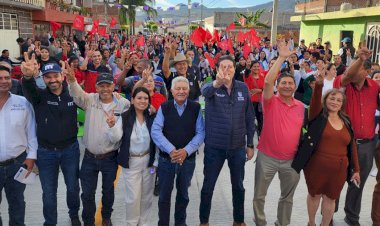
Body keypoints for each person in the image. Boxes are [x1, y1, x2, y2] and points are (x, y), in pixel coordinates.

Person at [292, 70, 360, 226]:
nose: (335, 102)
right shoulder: (318, 116)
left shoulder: (346, 121)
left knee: (331, 199)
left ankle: (324, 224)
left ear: (342, 104)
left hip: (339, 170)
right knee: (314, 195)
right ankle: (311, 223)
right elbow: (315, 100)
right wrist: (319, 84)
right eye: (332, 98)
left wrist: (356, 169)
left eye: (338, 100)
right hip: (316, 166)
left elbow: (352, 146)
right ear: (325, 99)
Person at [21, 55, 82, 225]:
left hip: (70, 150)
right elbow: (28, 87)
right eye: (48, 77)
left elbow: (91, 99)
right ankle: (50, 222)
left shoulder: (73, 94)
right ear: (43, 78)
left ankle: (74, 215)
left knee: (73, 188)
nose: (52, 80)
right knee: (48, 192)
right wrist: (27, 76)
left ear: (62, 76)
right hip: (46, 152)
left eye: (56, 75)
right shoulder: (39, 97)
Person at [66, 67, 130, 226]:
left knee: (108, 192)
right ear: (96, 87)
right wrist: (72, 80)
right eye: (101, 85)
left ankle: (106, 217)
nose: (105, 89)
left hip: (110, 157)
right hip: (89, 157)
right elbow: (77, 94)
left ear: (113, 86)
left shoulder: (123, 104)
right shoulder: (90, 100)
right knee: (87, 193)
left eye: (108, 85)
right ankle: (88, 221)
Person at [252, 40, 304, 226]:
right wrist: (282, 58)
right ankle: (260, 221)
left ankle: (282, 223)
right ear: (278, 85)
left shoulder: (300, 107)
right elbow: (267, 81)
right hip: (267, 157)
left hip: (292, 160)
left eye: (291, 83)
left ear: (295, 87)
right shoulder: (270, 101)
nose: (288, 86)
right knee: (259, 195)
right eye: (283, 83)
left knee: (287, 198)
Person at [199, 55, 255, 226]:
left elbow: (249, 117)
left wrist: (250, 144)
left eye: (230, 66)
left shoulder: (243, 88)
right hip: (214, 147)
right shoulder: (211, 87)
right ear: (217, 69)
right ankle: (204, 221)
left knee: (238, 186)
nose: (227, 69)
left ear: (234, 69)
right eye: (223, 66)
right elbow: (205, 92)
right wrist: (217, 83)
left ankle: (238, 220)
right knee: (208, 186)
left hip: (237, 147)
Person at [333, 44, 379, 226]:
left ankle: (351, 217)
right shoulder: (343, 83)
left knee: (357, 184)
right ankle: (328, 214)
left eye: (360, 66)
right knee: (335, 181)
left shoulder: (375, 87)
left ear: (367, 71)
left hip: (367, 144)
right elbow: (347, 76)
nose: (350, 72)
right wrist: (358, 59)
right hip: (342, 143)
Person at [151, 76, 205, 226]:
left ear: (189, 90)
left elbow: (201, 133)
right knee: (163, 197)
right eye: (178, 88)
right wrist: (171, 150)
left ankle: (180, 223)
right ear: (172, 91)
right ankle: (163, 223)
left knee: (183, 195)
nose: (181, 91)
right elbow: (156, 130)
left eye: (184, 88)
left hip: (187, 161)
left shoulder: (195, 108)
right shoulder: (164, 107)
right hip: (166, 160)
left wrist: (186, 151)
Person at [0, 65, 37, 225]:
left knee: (17, 205)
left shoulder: (23, 103)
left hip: (17, 163)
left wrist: (31, 157)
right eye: (0, 78)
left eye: (7, 78)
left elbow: (32, 132)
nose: (4, 81)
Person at [117, 87, 157, 226]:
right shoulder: (125, 117)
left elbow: (157, 140)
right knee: (133, 197)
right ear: (132, 100)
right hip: (132, 161)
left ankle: (144, 223)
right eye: (139, 98)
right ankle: (132, 223)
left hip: (149, 162)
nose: (143, 101)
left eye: (146, 98)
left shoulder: (152, 117)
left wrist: (155, 162)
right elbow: (114, 138)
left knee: (146, 196)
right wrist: (111, 126)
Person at [242, 60, 264, 137]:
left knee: (261, 120)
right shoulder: (247, 76)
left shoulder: (262, 76)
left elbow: (265, 88)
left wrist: (260, 90)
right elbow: (246, 73)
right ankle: (249, 136)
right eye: (254, 66)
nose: (256, 68)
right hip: (251, 102)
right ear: (251, 67)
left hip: (261, 102)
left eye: (258, 66)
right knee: (250, 119)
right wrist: (247, 67)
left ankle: (260, 136)